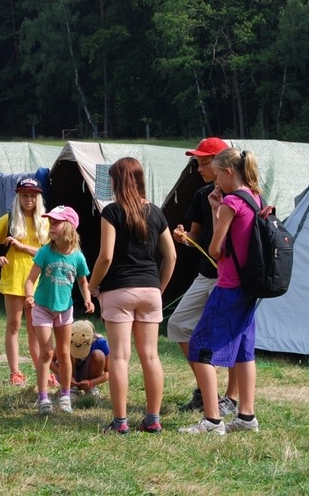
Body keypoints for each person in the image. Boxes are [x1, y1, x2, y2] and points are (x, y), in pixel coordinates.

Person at [87, 157, 177, 434]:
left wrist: (92, 285)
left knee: (120, 358)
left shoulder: (112, 212)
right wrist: (158, 289)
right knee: (150, 356)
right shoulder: (156, 213)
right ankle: (152, 419)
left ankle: (120, 422)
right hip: (150, 290)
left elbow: (106, 256)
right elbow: (171, 256)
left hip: (119, 290)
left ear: (116, 181)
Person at [180, 147, 262, 435]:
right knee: (244, 352)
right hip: (249, 287)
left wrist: (218, 209)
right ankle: (246, 416)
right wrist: (216, 209)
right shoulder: (254, 197)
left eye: (217, 175)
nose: (215, 181)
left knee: (200, 348)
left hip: (228, 286)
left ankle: (212, 420)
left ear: (228, 172)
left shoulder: (231, 202)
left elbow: (216, 249)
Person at [167, 138, 239, 418]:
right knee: (178, 324)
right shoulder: (202, 195)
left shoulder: (242, 195)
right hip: (207, 274)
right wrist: (184, 237)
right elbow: (196, 236)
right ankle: (207, 391)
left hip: (233, 278)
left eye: (205, 163)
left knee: (232, 337)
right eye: (197, 163)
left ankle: (232, 399)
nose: (199, 169)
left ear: (223, 163)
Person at [24, 206, 94, 414]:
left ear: (69, 227)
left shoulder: (78, 257)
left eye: (56, 222)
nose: (51, 226)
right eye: (50, 222)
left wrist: (88, 299)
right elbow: (30, 280)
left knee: (64, 353)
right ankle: (43, 397)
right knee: (46, 353)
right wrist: (29, 296)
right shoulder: (45, 252)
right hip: (42, 308)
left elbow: (83, 282)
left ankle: (65, 395)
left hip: (65, 310)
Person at [0, 178, 51, 386]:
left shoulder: (46, 221)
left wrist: (22, 247)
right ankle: (15, 372)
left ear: (38, 198)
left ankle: (43, 371)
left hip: (37, 282)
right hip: (12, 279)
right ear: (18, 197)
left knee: (35, 328)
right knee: (13, 326)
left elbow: (48, 253)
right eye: (24, 195)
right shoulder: (8, 219)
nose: (29, 199)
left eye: (33, 196)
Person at [51, 319, 109, 397]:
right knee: (66, 352)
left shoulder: (100, 342)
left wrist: (92, 382)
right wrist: (63, 374)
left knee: (99, 355)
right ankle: (70, 388)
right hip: (67, 374)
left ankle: (91, 388)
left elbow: (110, 373)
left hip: (88, 374)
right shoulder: (66, 340)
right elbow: (49, 361)